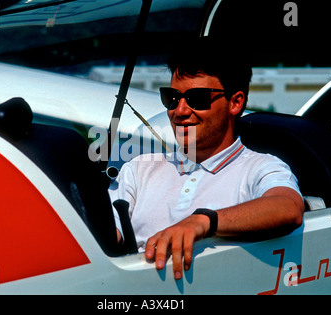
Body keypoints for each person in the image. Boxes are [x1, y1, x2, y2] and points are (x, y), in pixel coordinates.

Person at [109, 37, 304, 280]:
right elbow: (106, 233)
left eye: (196, 99)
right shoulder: (138, 169)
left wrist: (203, 222)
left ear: (235, 103)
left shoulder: (261, 167)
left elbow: (288, 208)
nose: (179, 111)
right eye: (171, 97)